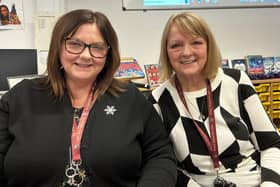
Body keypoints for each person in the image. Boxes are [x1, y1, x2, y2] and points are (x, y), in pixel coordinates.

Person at [0, 9, 177, 187]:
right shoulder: (20, 98)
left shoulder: (130, 99)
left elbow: (160, 155)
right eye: (75, 44)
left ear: (108, 54)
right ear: (58, 47)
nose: (85, 55)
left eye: (97, 47)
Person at [149, 11, 280, 186]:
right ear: (166, 52)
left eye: (196, 42)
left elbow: (271, 145)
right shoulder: (158, 101)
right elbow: (163, 164)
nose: (186, 52)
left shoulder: (236, 82)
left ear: (208, 46)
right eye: (176, 45)